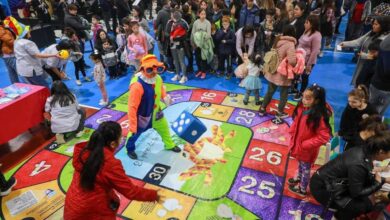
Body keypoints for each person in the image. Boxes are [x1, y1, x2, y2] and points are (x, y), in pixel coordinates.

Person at [64, 121, 161, 219]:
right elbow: (130, 191)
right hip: (92, 211)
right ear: (113, 143)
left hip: (72, 205)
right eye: (120, 137)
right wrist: (153, 195)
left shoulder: (84, 150)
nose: (122, 139)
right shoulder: (109, 163)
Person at [310, 130, 390, 220]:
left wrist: (383, 180)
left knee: (367, 199)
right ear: (381, 151)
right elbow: (356, 193)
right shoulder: (359, 163)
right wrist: (377, 184)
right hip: (323, 188)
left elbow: (364, 177)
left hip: (331, 182)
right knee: (364, 206)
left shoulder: (365, 150)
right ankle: (338, 217)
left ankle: (341, 212)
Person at [125, 54, 182, 160]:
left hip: (157, 113)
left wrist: (165, 97)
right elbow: (132, 107)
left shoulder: (158, 78)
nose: (154, 73)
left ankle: (169, 144)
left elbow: (161, 90)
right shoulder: (137, 85)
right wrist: (133, 125)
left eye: (158, 69)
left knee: (164, 129)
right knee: (134, 135)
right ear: (143, 69)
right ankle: (129, 149)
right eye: (150, 70)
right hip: (142, 116)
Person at [288, 84, 332, 196]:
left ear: (317, 101)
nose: (303, 100)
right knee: (300, 164)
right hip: (298, 144)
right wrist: (292, 131)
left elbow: (324, 136)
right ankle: (299, 177)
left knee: (306, 169)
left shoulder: (319, 115)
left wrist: (305, 144)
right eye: (303, 97)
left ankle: (302, 189)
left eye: (307, 98)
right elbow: (297, 121)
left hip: (306, 149)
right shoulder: (302, 107)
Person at [259, 25, 297, 119]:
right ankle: (280, 112)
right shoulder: (290, 44)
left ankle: (262, 108)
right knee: (283, 94)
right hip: (283, 73)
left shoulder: (278, 40)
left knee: (270, 91)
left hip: (273, 70)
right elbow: (292, 61)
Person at [340, 16, 389, 86]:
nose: (373, 26)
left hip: (373, 69)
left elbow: (380, 56)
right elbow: (359, 42)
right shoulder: (372, 32)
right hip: (363, 64)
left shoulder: (385, 40)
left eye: (376, 24)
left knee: (365, 86)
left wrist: (365, 55)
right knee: (359, 83)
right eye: (373, 24)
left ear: (383, 25)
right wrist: (345, 44)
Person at [13, 20, 58, 88]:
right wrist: (54, 55)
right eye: (28, 31)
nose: (29, 31)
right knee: (44, 87)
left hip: (22, 70)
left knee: (33, 87)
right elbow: (38, 55)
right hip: (31, 70)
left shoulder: (16, 42)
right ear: (25, 33)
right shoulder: (27, 43)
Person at [339, 85, 378, 150]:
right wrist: (344, 132)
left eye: (354, 102)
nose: (350, 104)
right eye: (349, 101)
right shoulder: (349, 107)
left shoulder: (371, 110)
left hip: (365, 138)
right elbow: (344, 121)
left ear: (362, 101)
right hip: (351, 137)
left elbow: (375, 125)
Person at [294, 15, 322, 101]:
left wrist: (309, 64)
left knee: (304, 76)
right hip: (299, 58)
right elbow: (300, 43)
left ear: (312, 24)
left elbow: (315, 51)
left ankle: (302, 92)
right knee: (297, 74)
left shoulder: (317, 35)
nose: (304, 24)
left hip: (308, 60)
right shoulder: (306, 31)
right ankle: (294, 89)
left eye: (307, 22)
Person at [369, 33, 390, 116]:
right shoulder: (388, 46)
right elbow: (388, 70)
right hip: (383, 87)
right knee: (375, 113)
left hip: (379, 84)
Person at [167, 10, 189, 84]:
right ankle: (177, 74)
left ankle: (184, 76)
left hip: (180, 45)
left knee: (181, 61)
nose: (172, 16)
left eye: (173, 15)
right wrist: (171, 38)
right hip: (172, 45)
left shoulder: (182, 23)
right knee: (175, 61)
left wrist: (174, 38)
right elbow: (167, 32)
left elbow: (185, 35)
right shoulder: (170, 23)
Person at [191, 9, 212, 79]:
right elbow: (193, 33)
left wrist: (202, 39)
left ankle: (203, 72)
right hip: (196, 44)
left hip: (204, 45)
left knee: (203, 59)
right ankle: (199, 70)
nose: (203, 16)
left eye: (204, 14)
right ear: (199, 14)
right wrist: (195, 42)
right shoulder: (196, 23)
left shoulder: (208, 23)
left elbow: (209, 34)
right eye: (202, 14)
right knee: (197, 58)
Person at [0, 17, 19, 84]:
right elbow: (9, 40)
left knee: (12, 73)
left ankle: (16, 87)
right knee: (21, 72)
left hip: (5, 54)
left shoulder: (3, 28)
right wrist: (18, 44)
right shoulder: (1, 29)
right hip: (9, 53)